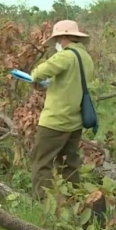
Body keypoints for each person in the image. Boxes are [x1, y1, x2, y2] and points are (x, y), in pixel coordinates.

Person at [29, 20, 94, 200]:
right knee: (69, 164)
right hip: (75, 121)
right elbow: (72, 83)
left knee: (41, 163)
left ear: (62, 37)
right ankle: (77, 201)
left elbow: (37, 73)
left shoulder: (65, 56)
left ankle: (45, 204)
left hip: (55, 121)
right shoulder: (86, 58)